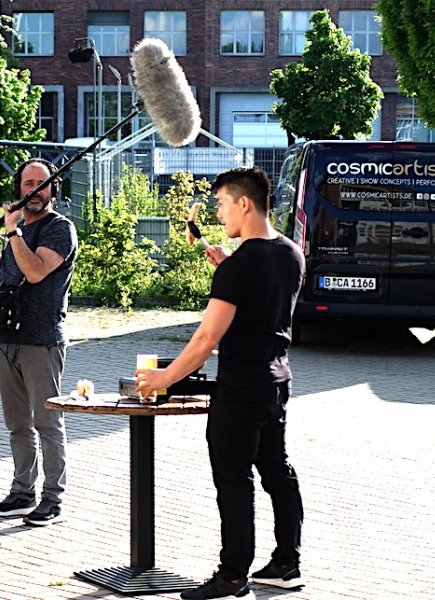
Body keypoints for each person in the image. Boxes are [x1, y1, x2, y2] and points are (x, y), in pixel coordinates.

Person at [135, 167, 305, 600]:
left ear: (244, 203)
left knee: (234, 481)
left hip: (241, 389)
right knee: (277, 472)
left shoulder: (240, 268)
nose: (219, 213)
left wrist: (163, 379)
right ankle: (287, 563)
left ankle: (232, 576)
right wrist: (230, 268)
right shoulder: (289, 252)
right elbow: (261, 302)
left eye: (222, 204)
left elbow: (208, 337)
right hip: (277, 381)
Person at [0, 157, 78, 527]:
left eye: (41, 183)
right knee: (17, 423)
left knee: (46, 422)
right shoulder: (20, 233)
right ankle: (22, 492)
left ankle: (53, 499)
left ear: (53, 188)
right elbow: (10, 267)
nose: (34, 189)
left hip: (41, 340)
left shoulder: (59, 229)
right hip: (6, 339)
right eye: (28, 183)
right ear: (18, 188)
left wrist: (12, 232)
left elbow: (33, 272)